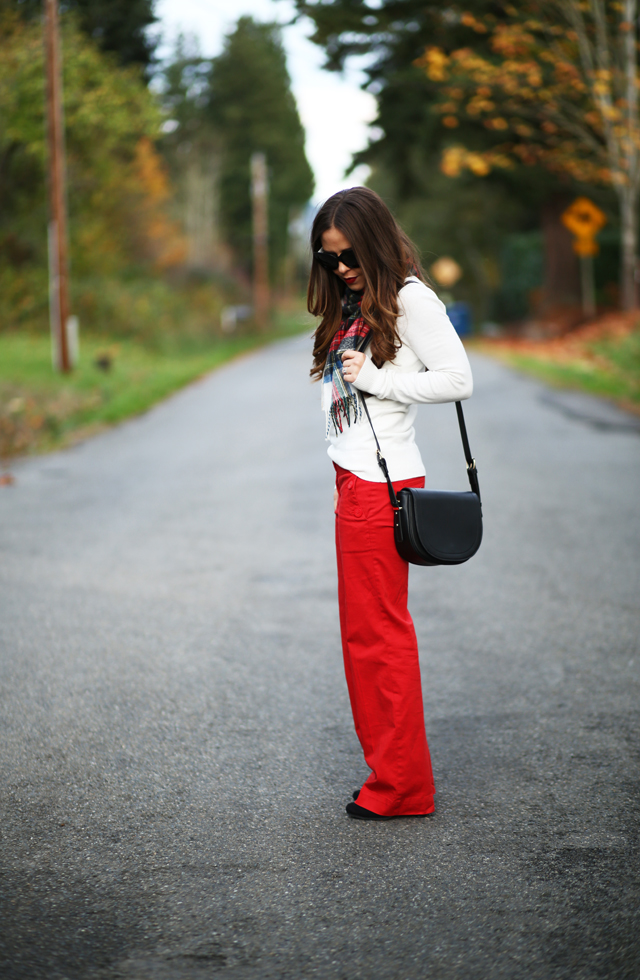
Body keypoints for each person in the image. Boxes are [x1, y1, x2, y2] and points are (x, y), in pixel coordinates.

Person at [308, 187, 473, 820]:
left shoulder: (409, 298)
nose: (341, 267)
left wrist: (377, 380)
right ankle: (395, 778)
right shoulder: (357, 304)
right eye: (328, 258)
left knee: (379, 641)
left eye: (349, 254)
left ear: (375, 243)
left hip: (382, 489)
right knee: (366, 638)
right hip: (358, 484)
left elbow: (458, 378)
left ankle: (401, 788)